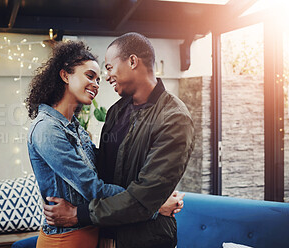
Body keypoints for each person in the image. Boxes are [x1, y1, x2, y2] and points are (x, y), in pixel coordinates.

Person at [23, 40, 185, 248]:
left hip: (91, 233)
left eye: (99, 79)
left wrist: (148, 197)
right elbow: (93, 187)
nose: (97, 84)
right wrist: (154, 204)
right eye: (90, 76)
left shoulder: (73, 127)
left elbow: (104, 166)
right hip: (67, 238)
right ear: (65, 75)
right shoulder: (47, 129)